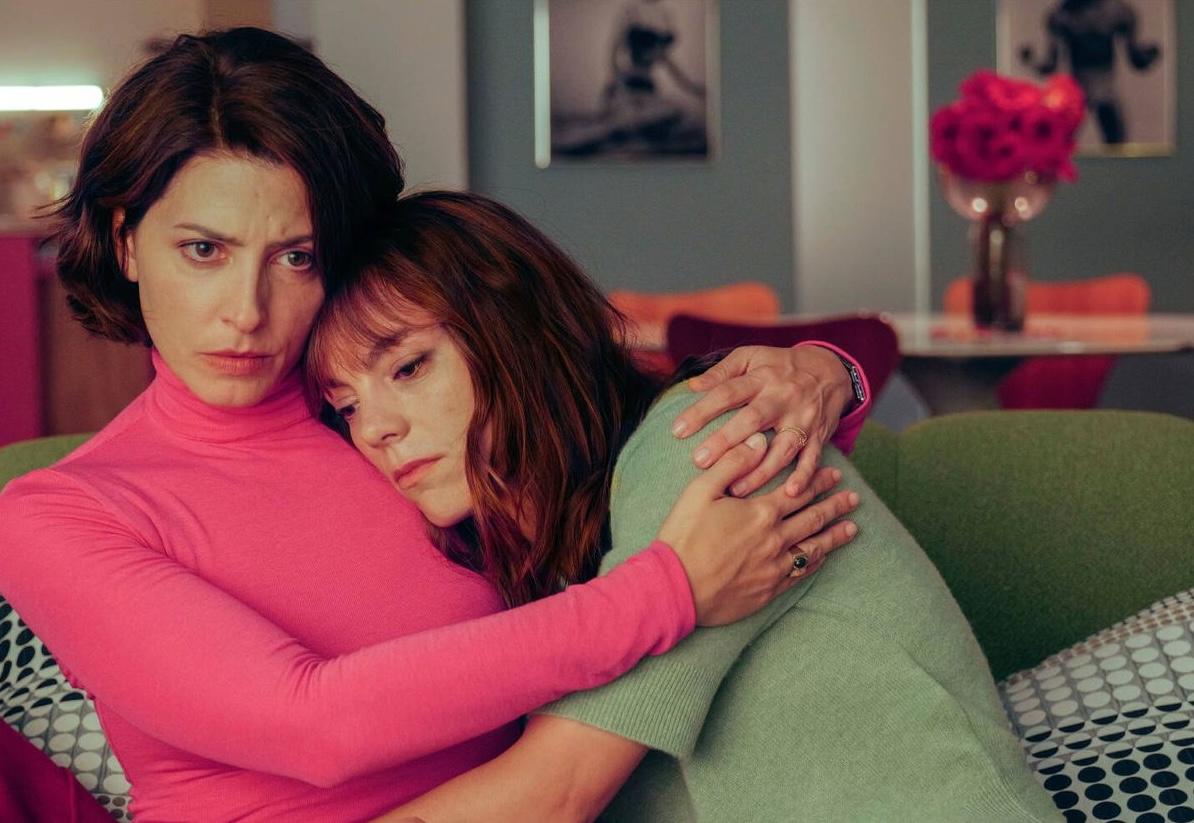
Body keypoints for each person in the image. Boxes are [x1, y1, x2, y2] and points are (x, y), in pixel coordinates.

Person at [0, 28, 869, 821]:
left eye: (296, 257)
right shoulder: (58, 513)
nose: (247, 311)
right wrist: (672, 592)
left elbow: (617, 404)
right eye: (204, 250)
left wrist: (824, 371)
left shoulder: (385, 409)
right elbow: (314, 725)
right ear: (125, 241)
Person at [309, 191, 1062, 822]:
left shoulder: (703, 446)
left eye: (408, 367)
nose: (375, 430)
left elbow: (557, 792)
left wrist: (828, 370)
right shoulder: (537, 562)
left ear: (512, 332)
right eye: (346, 406)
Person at [1020, 0, 1160, 145]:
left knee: (1117, 148)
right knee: (1061, 144)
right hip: (1084, 90)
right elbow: (1137, 60)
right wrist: (1031, 61)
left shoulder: (1115, 12)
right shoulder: (1063, 15)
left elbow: (1136, 59)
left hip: (1097, 88)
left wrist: (1031, 60)